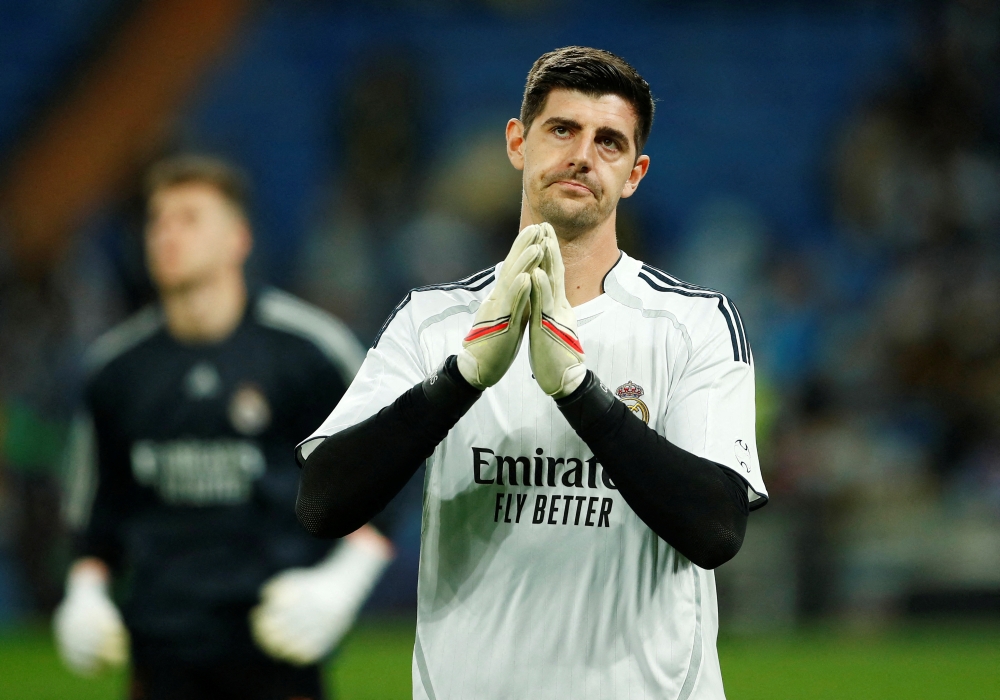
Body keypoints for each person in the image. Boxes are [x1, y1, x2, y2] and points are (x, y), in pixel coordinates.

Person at [296, 46, 768, 699]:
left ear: (635, 173)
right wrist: (460, 378)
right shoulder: (431, 323)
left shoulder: (693, 324)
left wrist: (580, 393)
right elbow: (323, 502)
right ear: (518, 142)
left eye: (610, 142)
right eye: (562, 130)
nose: (583, 155)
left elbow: (715, 530)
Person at [53, 155, 393, 700]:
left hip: (278, 648)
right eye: (158, 220)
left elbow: (381, 478)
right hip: (162, 654)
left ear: (237, 239)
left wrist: (343, 582)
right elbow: (97, 512)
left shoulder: (308, 353)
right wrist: (85, 591)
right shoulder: (116, 371)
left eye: (189, 218)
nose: (167, 234)